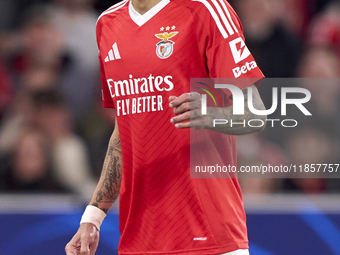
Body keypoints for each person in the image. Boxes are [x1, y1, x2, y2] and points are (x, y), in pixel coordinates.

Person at [65, 0, 266, 254]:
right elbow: (124, 130)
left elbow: (255, 114)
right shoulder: (107, 23)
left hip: (210, 236)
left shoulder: (207, 9)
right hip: (139, 239)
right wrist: (93, 217)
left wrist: (209, 115)